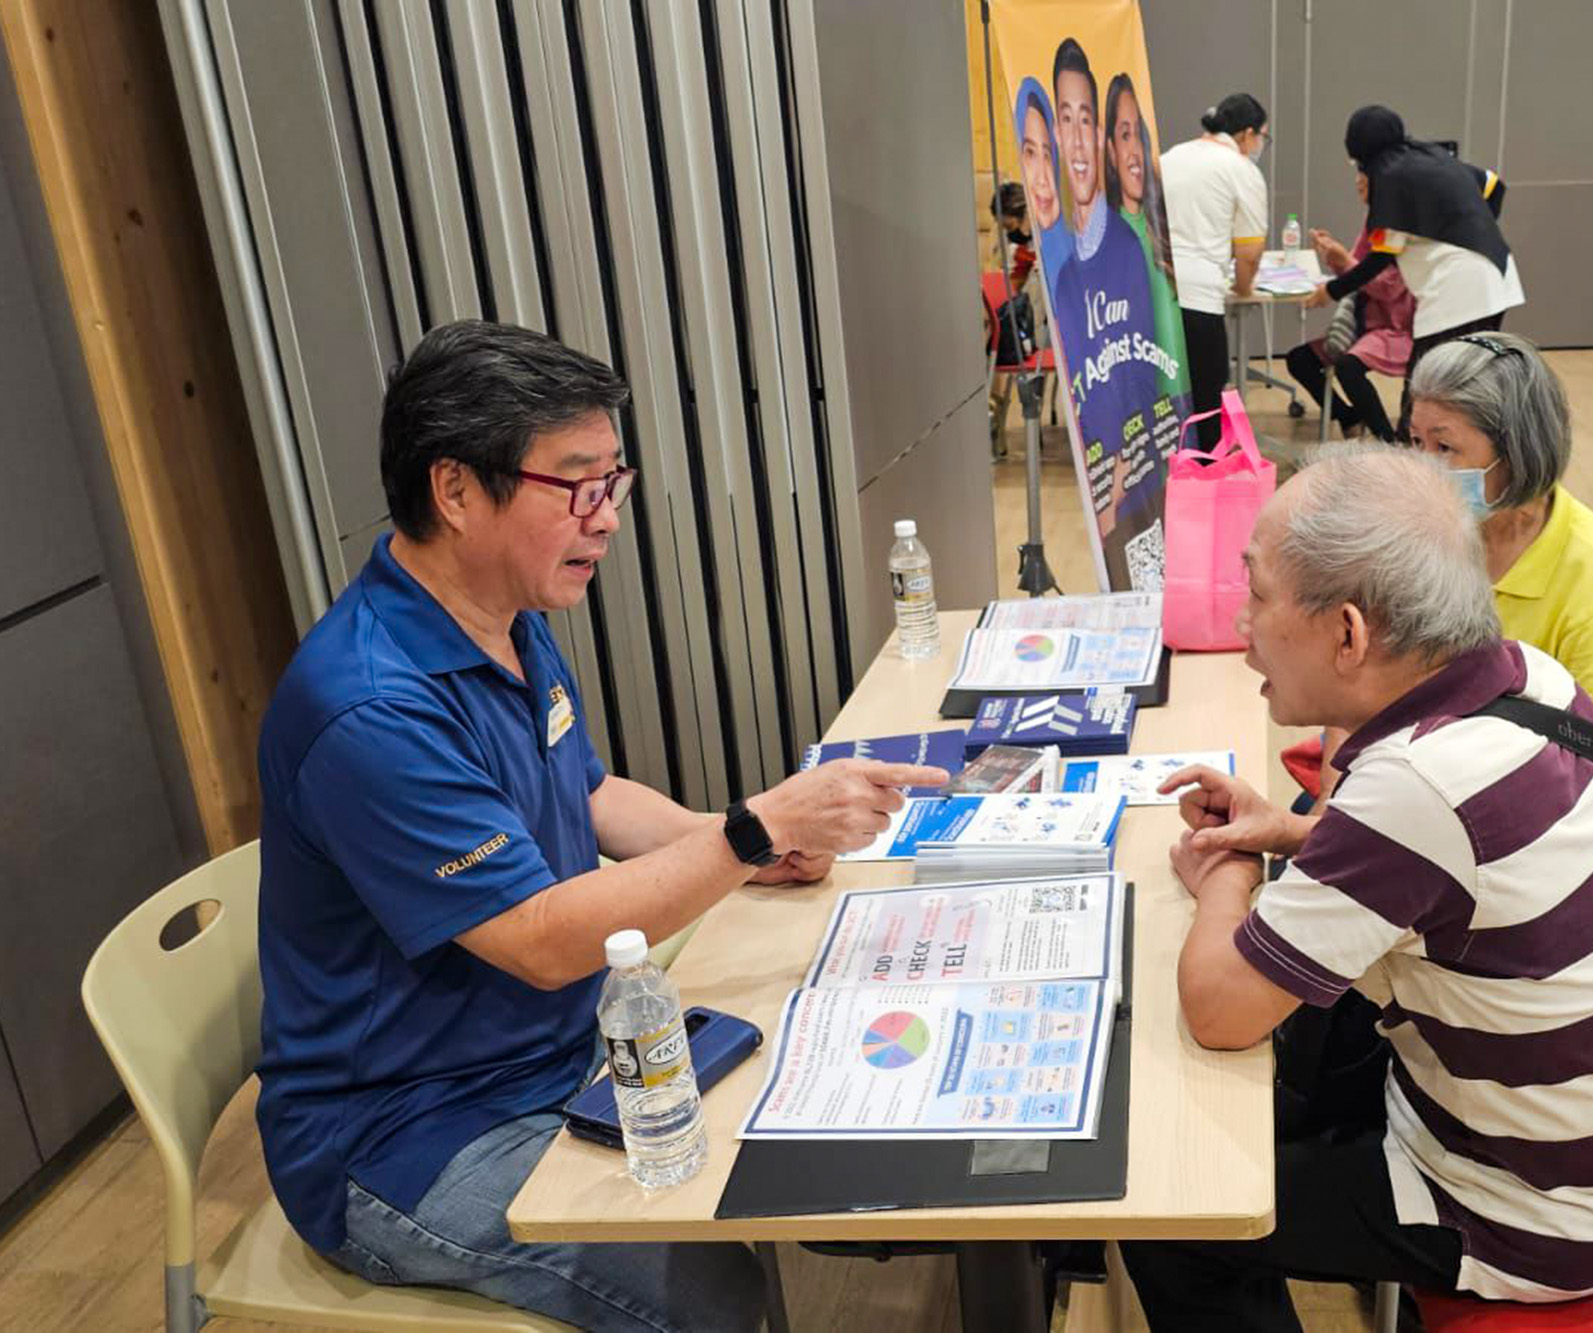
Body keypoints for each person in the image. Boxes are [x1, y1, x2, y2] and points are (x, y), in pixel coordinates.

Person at [255, 320, 950, 1330]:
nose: (608, 517)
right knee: (711, 1294)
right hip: (405, 1135)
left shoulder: (499, 614)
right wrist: (746, 834)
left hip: (553, 1052)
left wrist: (743, 853)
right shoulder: (368, 707)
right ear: (456, 491)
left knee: (820, 1100)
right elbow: (539, 942)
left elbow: (585, 792)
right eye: (577, 484)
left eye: (612, 481)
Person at [1120, 446, 1593, 1329]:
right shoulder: (1528, 677)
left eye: (1256, 593)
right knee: (1313, 1026)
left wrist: (1229, 875)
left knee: (1181, 1210)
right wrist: (1289, 831)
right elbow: (1460, 866)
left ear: (1349, 634)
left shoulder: (1412, 790)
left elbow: (1216, 1009)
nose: (1243, 623)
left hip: (1548, 1212)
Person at [1283, 332, 1593, 804]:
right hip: (1412, 768)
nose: (1425, 468)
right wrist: (1330, 813)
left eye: (1445, 448)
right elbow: (1357, 675)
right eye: (1415, 442)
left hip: (1514, 797)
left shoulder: (1588, 568)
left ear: (1517, 452)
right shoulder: (1429, 526)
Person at [1306, 105, 1522, 440]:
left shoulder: (1389, 179)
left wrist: (1329, 292)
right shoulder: (1430, 156)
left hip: (1455, 294)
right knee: (1470, 392)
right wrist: (1470, 226)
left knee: (1423, 399)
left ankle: (1411, 473)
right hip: (1498, 279)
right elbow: (1495, 186)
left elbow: (1378, 259)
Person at [1047, 38, 1178, 575]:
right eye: (1066, 120)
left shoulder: (1125, 247)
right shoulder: (1063, 271)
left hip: (1133, 491)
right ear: (1055, 134)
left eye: (1086, 121)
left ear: (1095, 136)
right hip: (1100, 488)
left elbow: (1142, 383)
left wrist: (1113, 491)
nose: (1077, 139)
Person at [1161, 92, 1270, 449]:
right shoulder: (1241, 170)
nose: (1260, 145)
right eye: (1262, 137)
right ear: (1247, 133)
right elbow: (1249, 252)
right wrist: (1242, 288)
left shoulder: (1170, 157)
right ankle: (1204, 482)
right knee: (1206, 402)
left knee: (1165, 401)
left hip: (1157, 293)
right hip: (1202, 300)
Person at [1283, 170, 1414, 442]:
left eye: (1364, 175)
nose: (1357, 181)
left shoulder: (1400, 225)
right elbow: (1356, 268)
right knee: (1299, 360)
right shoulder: (1373, 219)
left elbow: (1388, 288)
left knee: (1348, 368)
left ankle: (1387, 441)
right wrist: (1333, 253)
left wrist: (1341, 260)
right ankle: (1348, 416)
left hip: (1395, 325)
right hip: (1366, 320)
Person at [1104, 71, 1192, 408]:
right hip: (1143, 410)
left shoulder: (1160, 221)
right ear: (1110, 150)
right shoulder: (1111, 238)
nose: (1135, 151)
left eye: (1139, 135)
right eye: (1125, 136)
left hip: (1181, 398)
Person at [1015, 78, 1073, 299]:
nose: (1042, 178)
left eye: (1047, 155)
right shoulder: (1038, 256)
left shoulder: (1083, 254)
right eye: (1030, 153)